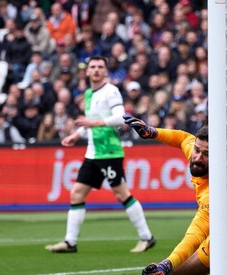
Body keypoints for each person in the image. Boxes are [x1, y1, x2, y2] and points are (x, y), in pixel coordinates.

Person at [122, 116, 227, 275]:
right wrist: (152, 132)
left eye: (206, 154)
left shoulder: (217, 195)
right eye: (197, 150)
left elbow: (195, 235)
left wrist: (166, 265)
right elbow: (183, 138)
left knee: (176, 274)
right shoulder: (199, 154)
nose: (197, 158)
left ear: (219, 158)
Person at [45, 56, 155, 253]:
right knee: (77, 193)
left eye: (100, 67)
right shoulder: (88, 93)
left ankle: (147, 238)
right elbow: (91, 121)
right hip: (93, 152)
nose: (96, 70)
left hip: (110, 151)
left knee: (122, 194)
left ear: (105, 71)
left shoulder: (110, 91)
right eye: (92, 67)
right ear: (87, 71)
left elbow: (121, 117)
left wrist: (94, 124)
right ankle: (70, 242)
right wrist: (77, 134)